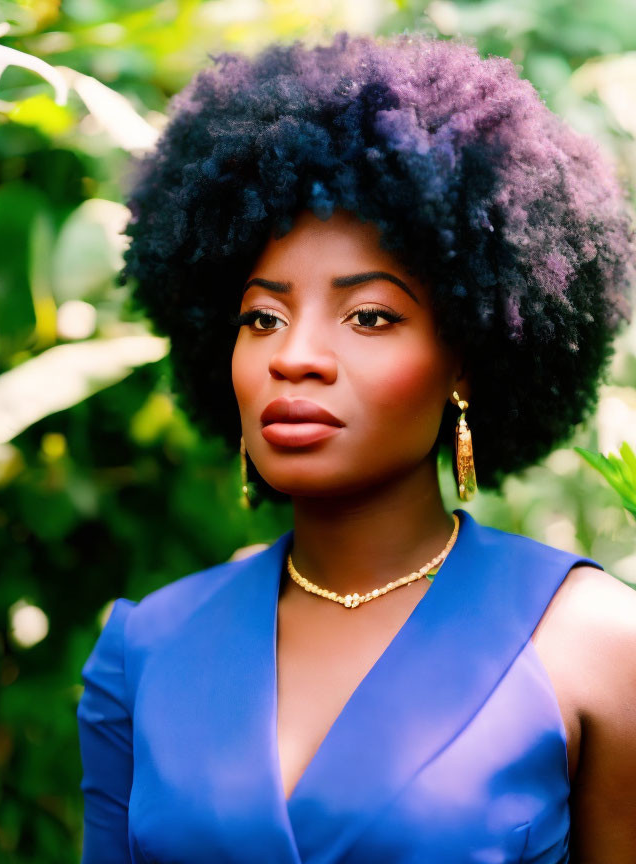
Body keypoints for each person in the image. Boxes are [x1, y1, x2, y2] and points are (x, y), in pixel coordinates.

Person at [77, 31, 636, 863]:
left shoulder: (595, 644)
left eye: (370, 315)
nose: (293, 355)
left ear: (469, 361)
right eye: (261, 317)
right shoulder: (146, 649)